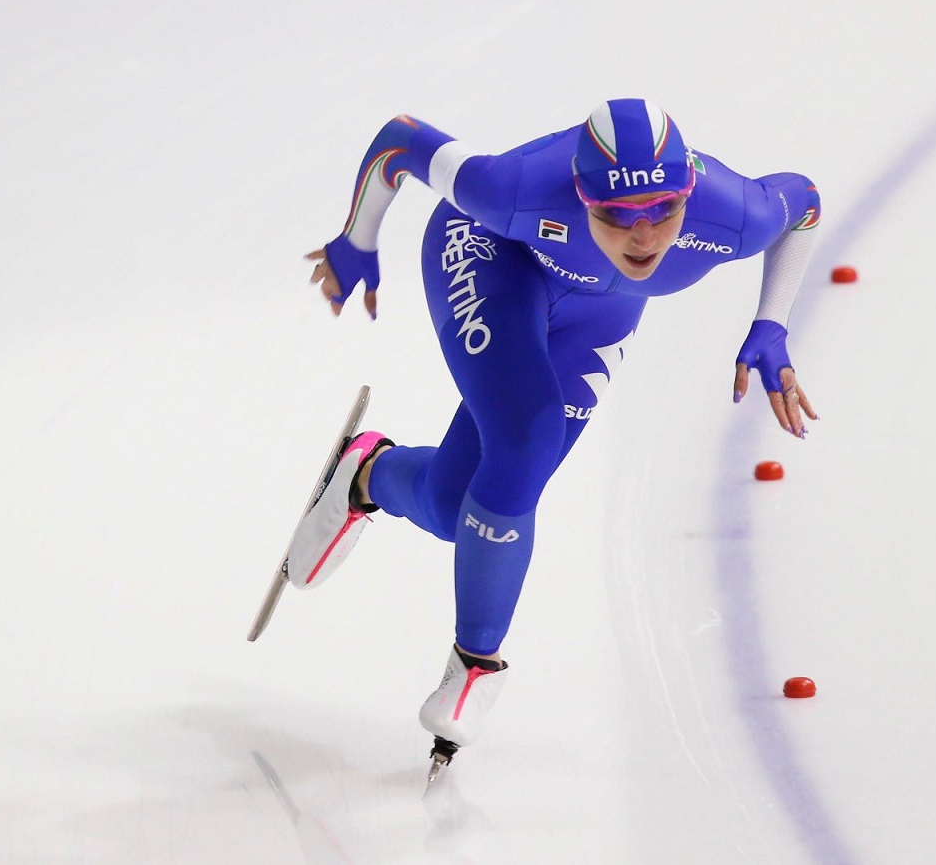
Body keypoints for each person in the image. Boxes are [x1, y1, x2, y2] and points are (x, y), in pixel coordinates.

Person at [292, 99, 820, 763]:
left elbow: (805, 205)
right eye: (618, 216)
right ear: (580, 195)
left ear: (689, 189)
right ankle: (475, 664)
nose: (645, 237)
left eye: (664, 211)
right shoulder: (507, 190)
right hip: (490, 261)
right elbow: (401, 141)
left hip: (601, 317)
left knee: (460, 512)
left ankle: (365, 475)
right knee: (526, 444)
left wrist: (771, 324)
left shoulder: (737, 212)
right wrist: (357, 239)